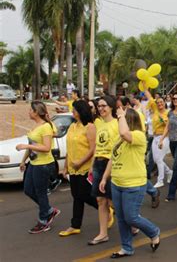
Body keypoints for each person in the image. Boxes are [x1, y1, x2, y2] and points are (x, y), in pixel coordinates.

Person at [99, 107, 161, 258]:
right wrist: (104, 177)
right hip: (117, 183)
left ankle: (153, 232)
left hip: (133, 184)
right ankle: (127, 248)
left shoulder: (138, 136)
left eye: (122, 118)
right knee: (121, 218)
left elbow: (124, 133)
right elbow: (113, 159)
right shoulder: (119, 139)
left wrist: (120, 115)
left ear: (129, 120)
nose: (119, 119)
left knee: (131, 217)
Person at [17, 101, 61, 234]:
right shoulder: (36, 126)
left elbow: (46, 148)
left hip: (43, 164)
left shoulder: (46, 127)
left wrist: (27, 147)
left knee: (41, 193)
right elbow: (32, 144)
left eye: (31, 110)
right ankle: (48, 210)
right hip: (34, 163)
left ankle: (43, 221)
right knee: (28, 190)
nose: (29, 112)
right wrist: (23, 161)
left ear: (36, 112)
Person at [59, 100, 98, 236]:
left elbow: (93, 149)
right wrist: (65, 167)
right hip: (72, 167)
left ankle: (105, 209)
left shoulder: (90, 127)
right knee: (76, 196)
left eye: (74, 110)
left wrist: (81, 162)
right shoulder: (72, 126)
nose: (73, 112)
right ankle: (75, 225)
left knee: (84, 194)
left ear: (81, 111)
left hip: (85, 167)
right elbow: (69, 149)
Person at [88, 95, 119, 245]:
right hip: (98, 163)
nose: (101, 109)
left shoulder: (117, 124)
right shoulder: (99, 124)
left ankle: (133, 224)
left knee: (113, 202)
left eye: (104, 106)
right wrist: (92, 165)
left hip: (110, 164)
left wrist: (107, 174)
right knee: (100, 200)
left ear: (111, 107)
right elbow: (97, 147)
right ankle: (103, 233)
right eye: (99, 106)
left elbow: (115, 152)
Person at [144, 90, 172, 189]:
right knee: (156, 160)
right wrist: (145, 86)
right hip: (155, 137)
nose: (159, 104)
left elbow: (169, 126)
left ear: (165, 103)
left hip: (164, 137)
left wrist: (164, 121)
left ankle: (160, 180)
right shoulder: (155, 110)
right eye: (158, 102)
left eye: (161, 102)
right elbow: (149, 96)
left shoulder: (168, 113)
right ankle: (169, 172)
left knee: (159, 159)